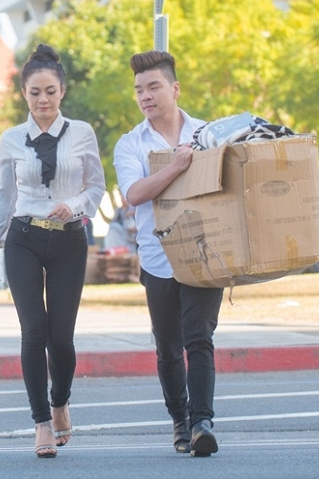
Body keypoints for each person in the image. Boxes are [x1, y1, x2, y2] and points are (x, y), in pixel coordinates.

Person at [0, 44, 105, 459]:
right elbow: (3, 195)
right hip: (24, 238)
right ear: (24, 93)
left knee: (61, 337)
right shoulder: (11, 139)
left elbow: (96, 186)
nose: (43, 100)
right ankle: (41, 423)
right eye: (35, 92)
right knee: (34, 331)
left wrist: (75, 205)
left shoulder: (82, 133)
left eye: (50, 91)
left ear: (62, 91)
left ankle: (60, 402)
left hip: (69, 238)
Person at [113, 50, 223, 457]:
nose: (145, 95)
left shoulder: (208, 134)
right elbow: (134, 194)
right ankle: (180, 419)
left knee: (200, 338)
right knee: (168, 347)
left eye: (153, 86)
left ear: (175, 89)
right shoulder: (130, 144)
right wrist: (176, 167)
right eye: (139, 90)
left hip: (204, 253)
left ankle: (201, 423)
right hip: (158, 259)